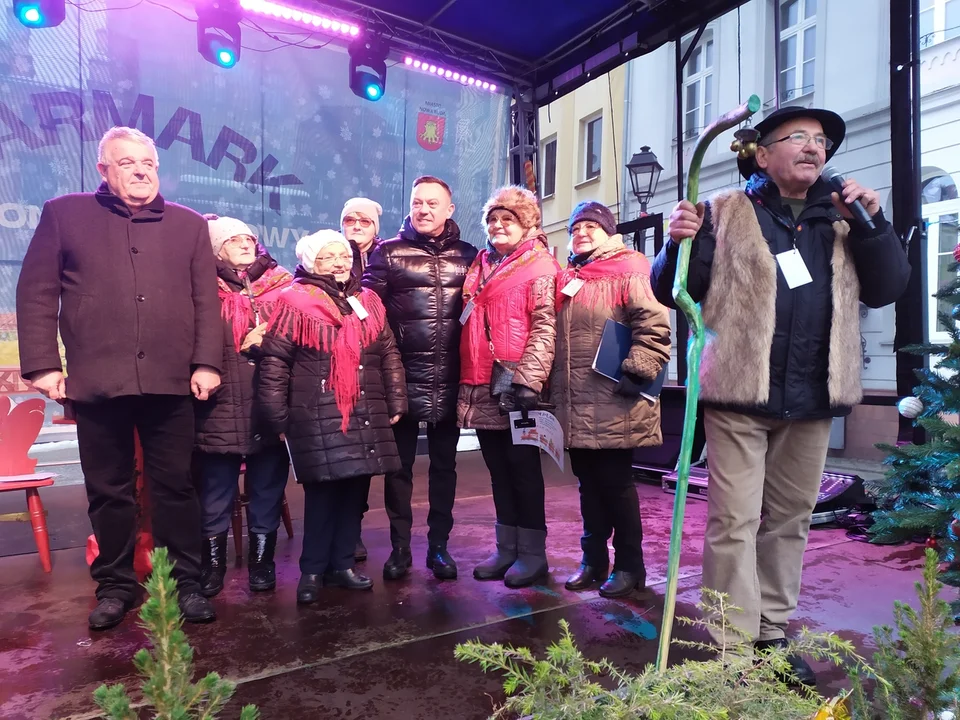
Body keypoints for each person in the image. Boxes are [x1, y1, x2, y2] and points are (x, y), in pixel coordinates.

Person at [650, 106, 911, 684]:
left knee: (791, 518)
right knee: (734, 521)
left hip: (814, 394)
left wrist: (875, 222)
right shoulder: (724, 211)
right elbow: (677, 291)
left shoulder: (844, 217)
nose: (814, 148)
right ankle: (732, 645)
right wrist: (675, 246)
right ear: (762, 155)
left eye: (821, 141)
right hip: (739, 392)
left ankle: (770, 633)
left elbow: (891, 287)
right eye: (798, 137)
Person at [16, 126, 221, 630]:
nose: (140, 170)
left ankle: (184, 584)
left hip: (171, 379)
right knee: (108, 490)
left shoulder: (188, 225)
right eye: (126, 162)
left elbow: (205, 302)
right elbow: (37, 292)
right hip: (98, 378)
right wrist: (43, 364)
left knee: (175, 487)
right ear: (103, 171)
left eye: (147, 162)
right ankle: (114, 585)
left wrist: (207, 362)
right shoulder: (65, 214)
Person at [257, 230, 407, 604]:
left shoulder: (368, 301)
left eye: (344, 255)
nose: (340, 262)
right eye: (329, 257)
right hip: (316, 413)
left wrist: (397, 400)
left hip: (365, 409)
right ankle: (312, 570)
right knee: (322, 493)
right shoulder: (294, 302)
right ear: (311, 263)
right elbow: (276, 363)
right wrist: (277, 417)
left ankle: (341, 565)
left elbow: (388, 353)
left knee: (354, 491)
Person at [553, 202, 671, 599]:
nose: (582, 233)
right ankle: (593, 561)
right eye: (576, 228)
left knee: (617, 484)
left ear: (608, 231)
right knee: (588, 485)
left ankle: (629, 565)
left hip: (614, 396)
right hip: (576, 402)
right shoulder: (570, 274)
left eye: (591, 226)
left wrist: (638, 368)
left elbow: (653, 322)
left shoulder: (630, 266)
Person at [363, 176, 478, 581]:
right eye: (417, 203)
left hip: (452, 378)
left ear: (450, 209)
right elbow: (369, 314)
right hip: (402, 379)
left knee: (446, 468)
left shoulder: (470, 255)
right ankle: (399, 549)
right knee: (399, 469)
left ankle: (439, 548)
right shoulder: (387, 253)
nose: (424, 210)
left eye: (432, 203)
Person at [458, 186, 559, 588]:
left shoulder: (539, 266)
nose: (498, 226)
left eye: (508, 219)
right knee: (498, 471)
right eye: (493, 219)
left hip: (517, 384)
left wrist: (528, 380)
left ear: (528, 223)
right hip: (482, 379)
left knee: (523, 471)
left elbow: (545, 325)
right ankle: (507, 548)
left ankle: (534, 555)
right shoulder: (481, 263)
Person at [194, 215, 293, 598]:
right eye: (233, 240)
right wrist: (238, 344)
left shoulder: (281, 285)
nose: (245, 243)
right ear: (218, 250)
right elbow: (191, 343)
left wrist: (263, 342)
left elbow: (295, 340)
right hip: (219, 405)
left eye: (248, 237)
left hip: (268, 402)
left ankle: (262, 562)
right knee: (216, 489)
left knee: (267, 486)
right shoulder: (201, 288)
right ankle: (213, 566)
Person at [340, 196, 384, 562]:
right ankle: (346, 532)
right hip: (341, 371)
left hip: (378, 365)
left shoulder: (390, 256)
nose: (356, 225)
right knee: (345, 454)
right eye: (350, 219)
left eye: (364, 221)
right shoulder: (329, 253)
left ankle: (354, 527)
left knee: (369, 455)